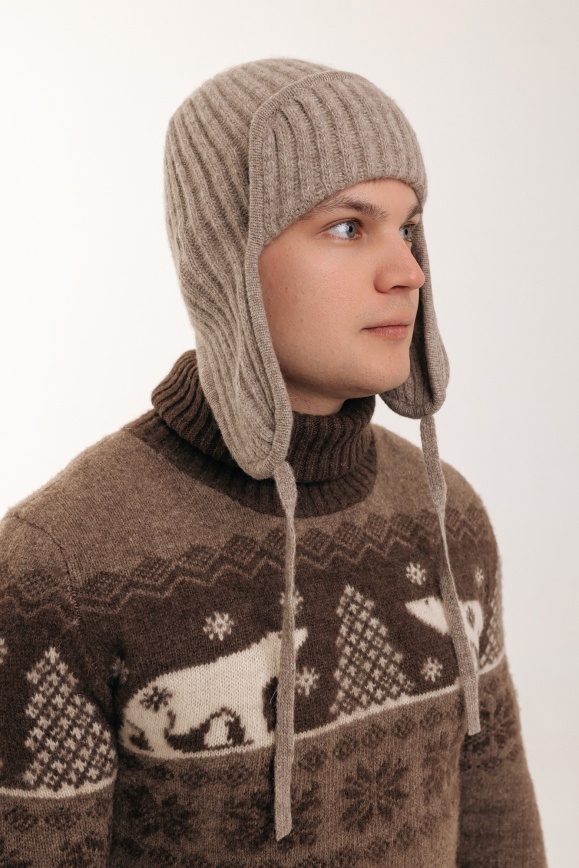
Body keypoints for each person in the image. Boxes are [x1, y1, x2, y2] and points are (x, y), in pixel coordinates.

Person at [0, 57, 547, 866]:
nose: (407, 272)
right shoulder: (62, 568)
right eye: (346, 227)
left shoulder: (446, 515)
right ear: (227, 258)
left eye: (407, 228)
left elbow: (499, 830)